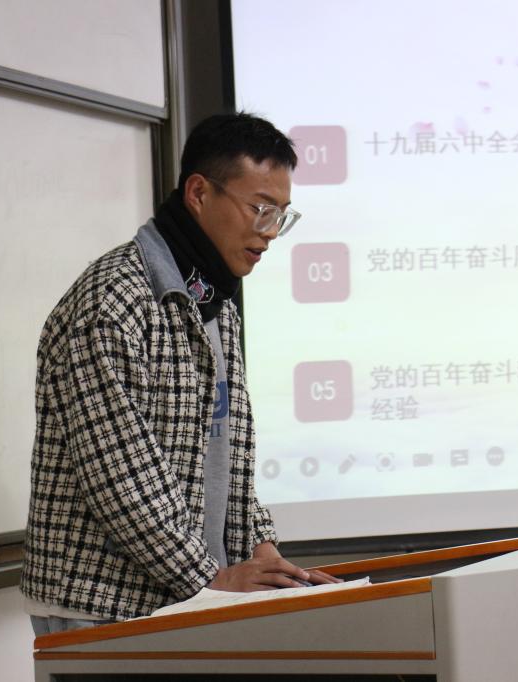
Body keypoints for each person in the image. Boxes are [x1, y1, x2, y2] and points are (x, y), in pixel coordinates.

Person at [21, 112, 339, 637]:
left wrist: (266, 557)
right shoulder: (113, 302)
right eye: (261, 209)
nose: (270, 234)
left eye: (282, 216)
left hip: (192, 597)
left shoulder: (214, 302)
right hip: (105, 604)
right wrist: (211, 580)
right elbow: (121, 479)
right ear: (198, 193)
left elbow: (228, 454)